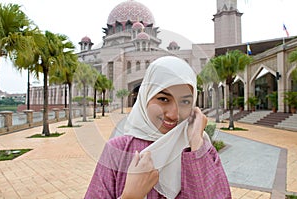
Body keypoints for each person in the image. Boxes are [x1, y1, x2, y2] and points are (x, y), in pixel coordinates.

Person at [85, 56, 231, 199]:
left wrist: (196, 143)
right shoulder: (118, 151)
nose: (173, 114)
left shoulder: (200, 150)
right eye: (163, 99)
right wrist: (131, 196)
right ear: (146, 97)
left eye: (185, 101)